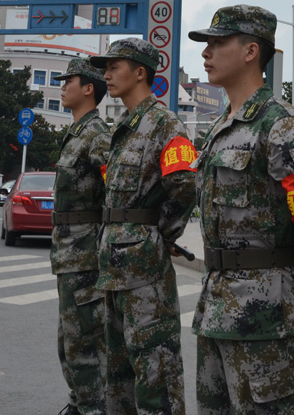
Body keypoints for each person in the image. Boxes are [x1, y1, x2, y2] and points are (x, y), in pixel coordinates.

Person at [189, 5, 294, 415]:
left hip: (265, 311)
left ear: (250, 51)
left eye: (217, 42)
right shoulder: (218, 127)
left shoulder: (281, 125)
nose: (206, 52)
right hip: (217, 303)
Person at [89, 37, 198, 415]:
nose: (107, 75)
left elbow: (184, 185)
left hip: (144, 272)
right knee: (118, 377)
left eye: (114, 67)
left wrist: (159, 233)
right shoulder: (124, 125)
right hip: (115, 269)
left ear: (140, 73)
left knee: (155, 374)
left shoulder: (165, 124)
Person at [49, 59, 113, 415]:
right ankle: (80, 403)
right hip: (69, 254)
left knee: (84, 343)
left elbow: (116, 190)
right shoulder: (76, 131)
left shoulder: (97, 134)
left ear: (88, 88)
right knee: (68, 341)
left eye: (68, 80)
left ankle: (93, 408)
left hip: (86, 254)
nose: (62, 86)